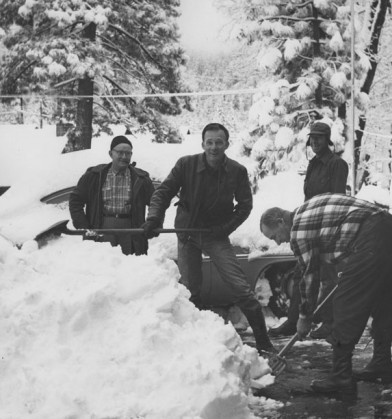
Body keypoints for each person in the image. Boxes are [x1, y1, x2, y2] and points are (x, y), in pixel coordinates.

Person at [142, 123, 275, 355]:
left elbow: (245, 206)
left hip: (216, 235)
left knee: (240, 288)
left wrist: (224, 229)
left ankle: (264, 342)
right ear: (203, 143)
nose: (214, 147)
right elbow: (163, 193)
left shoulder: (236, 171)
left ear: (226, 144)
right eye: (210, 142)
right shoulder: (186, 164)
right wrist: (154, 218)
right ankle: (195, 345)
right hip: (187, 233)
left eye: (219, 142)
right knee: (190, 290)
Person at [260, 193, 392, 396]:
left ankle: (341, 377)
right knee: (385, 298)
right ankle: (382, 363)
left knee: (345, 303)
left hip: (371, 235)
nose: (277, 242)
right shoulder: (309, 210)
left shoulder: (299, 231)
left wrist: (304, 318)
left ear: (280, 222)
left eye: (274, 236)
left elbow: (308, 276)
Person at [270, 121, 349, 339]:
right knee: (300, 274)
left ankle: (329, 322)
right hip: (309, 224)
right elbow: (308, 198)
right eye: (312, 138)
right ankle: (293, 320)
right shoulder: (313, 164)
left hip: (327, 228)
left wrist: (330, 230)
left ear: (327, 140)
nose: (315, 142)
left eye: (319, 138)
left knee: (328, 276)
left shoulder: (337, 164)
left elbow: (338, 199)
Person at [69, 135, 155, 255]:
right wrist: (84, 227)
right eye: (120, 152)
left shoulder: (141, 178)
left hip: (131, 228)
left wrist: (152, 223)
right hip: (102, 227)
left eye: (128, 153)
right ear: (111, 154)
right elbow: (75, 201)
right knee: (103, 266)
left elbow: (155, 202)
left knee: (130, 267)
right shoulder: (94, 175)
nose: (124, 157)